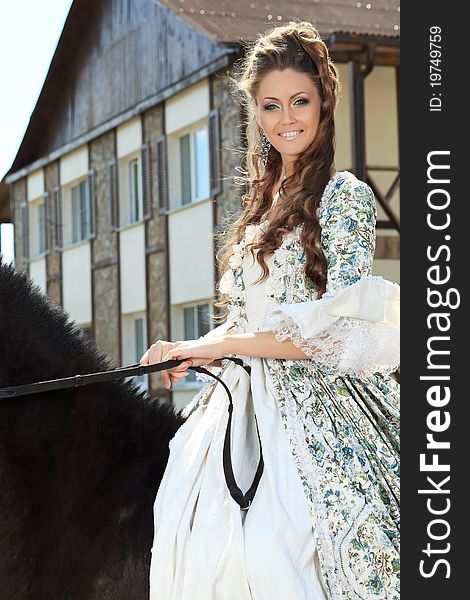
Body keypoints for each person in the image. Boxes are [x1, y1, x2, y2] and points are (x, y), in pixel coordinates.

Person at [140, 20, 400, 600]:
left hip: (319, 401)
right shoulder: (259, 209)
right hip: (239, 404)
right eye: (271, 105)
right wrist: (186, 348)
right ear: (254, 112)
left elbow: (334, 328)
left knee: (290, 545)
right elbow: (245, 321)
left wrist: (221, 346)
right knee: (190, 531)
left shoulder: (345, 196)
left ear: (323, 102)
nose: (287, 119)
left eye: (299, 101)